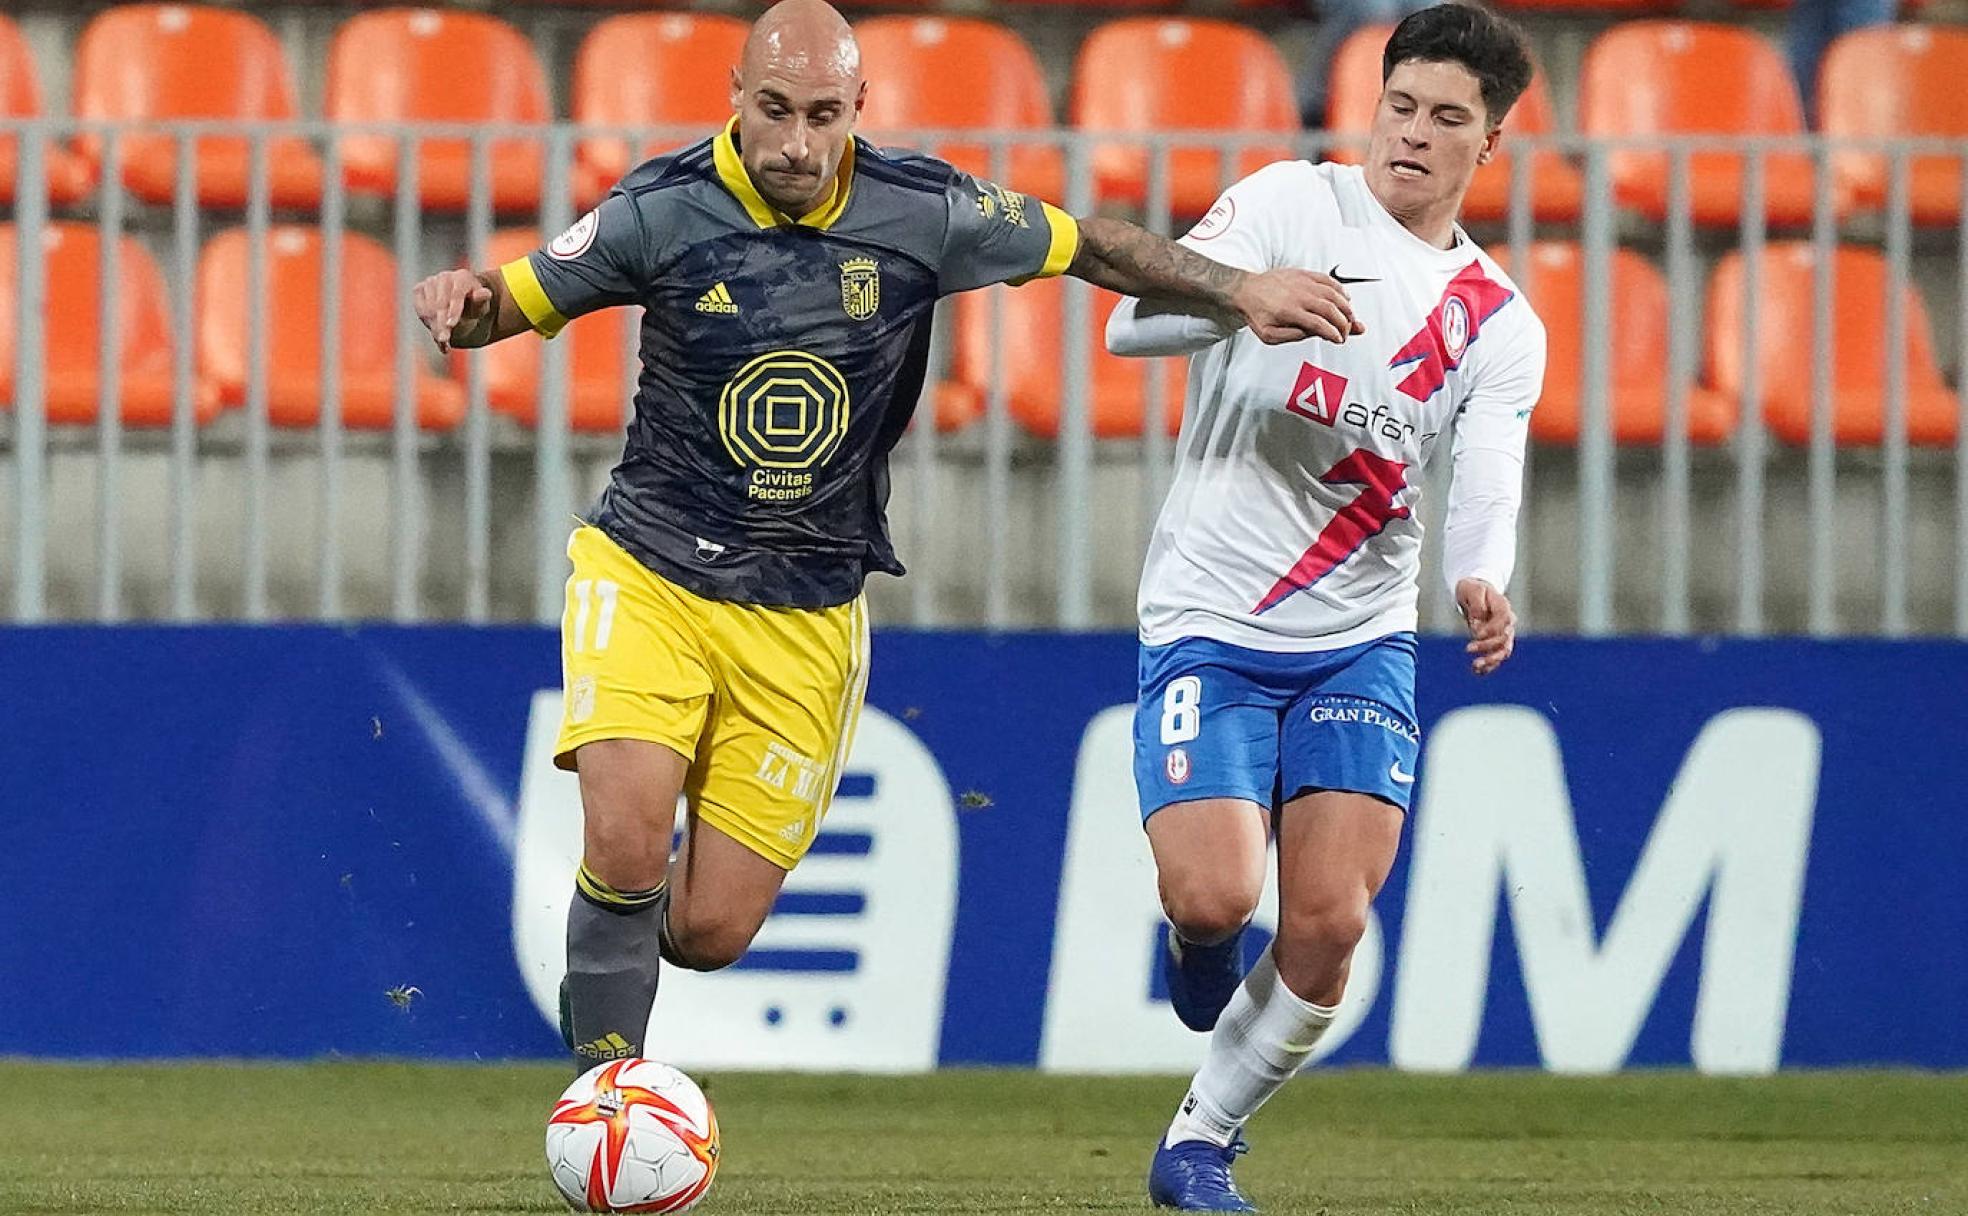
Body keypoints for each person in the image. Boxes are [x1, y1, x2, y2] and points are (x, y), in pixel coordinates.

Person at [413, 0, 1360, 1074]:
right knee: (625, 841)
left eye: (823, 115)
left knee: (710, 930)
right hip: (649, 566)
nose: (796, 143)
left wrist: (1240, 287)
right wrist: (462, 297)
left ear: (860, 108)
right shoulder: (661, 209)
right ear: (735, 96)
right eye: (774, 111)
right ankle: (604, 1100)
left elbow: (1092, 246)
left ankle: (616, 947)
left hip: (807, 612)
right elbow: (514, 297)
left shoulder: (928, 210)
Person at [1105, 5, 1546, 1210]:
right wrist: (1242, 293)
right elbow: (1124, 322)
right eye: (1400, 105)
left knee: (1330, 925)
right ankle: (1198, 943)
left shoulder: (1498, 319)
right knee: (1216, 896)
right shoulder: (1290, 203)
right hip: (1211, 613)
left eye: (1446, 118)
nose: (1412, 134)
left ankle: (1198, 1140)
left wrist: (1479, 574)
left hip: (1361, 635)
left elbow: (1488, 468)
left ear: (1487, 145)